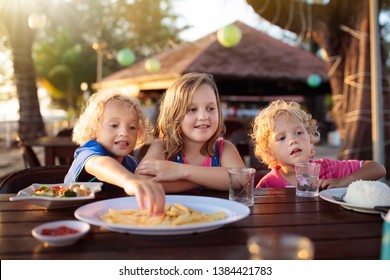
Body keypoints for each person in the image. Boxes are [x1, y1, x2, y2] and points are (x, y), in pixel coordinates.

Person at [135, 72, 245, 193]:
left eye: (210, 108)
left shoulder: (223, 149)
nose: (203, 116)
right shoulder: (163, 148)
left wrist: (180, 171)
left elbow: (240, 178)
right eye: (192, 109)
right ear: (174, 115)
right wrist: (209, 179)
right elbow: (143, 181)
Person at [64, 90, 165, 215]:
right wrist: (130, 181)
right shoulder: (89, 151)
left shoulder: (132, 163)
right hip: (70, 218)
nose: (124, 132)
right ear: (94, 129)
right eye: (114, 125)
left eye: (132, 127)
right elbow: (98, 164)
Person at [250, 99, 386, 189]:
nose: (293, 140)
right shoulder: (268, 184)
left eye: (298, 133)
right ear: (270, 152)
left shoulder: (328, 169)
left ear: (310, 139)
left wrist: (344, 181)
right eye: (281, 138)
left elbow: (378, 169)